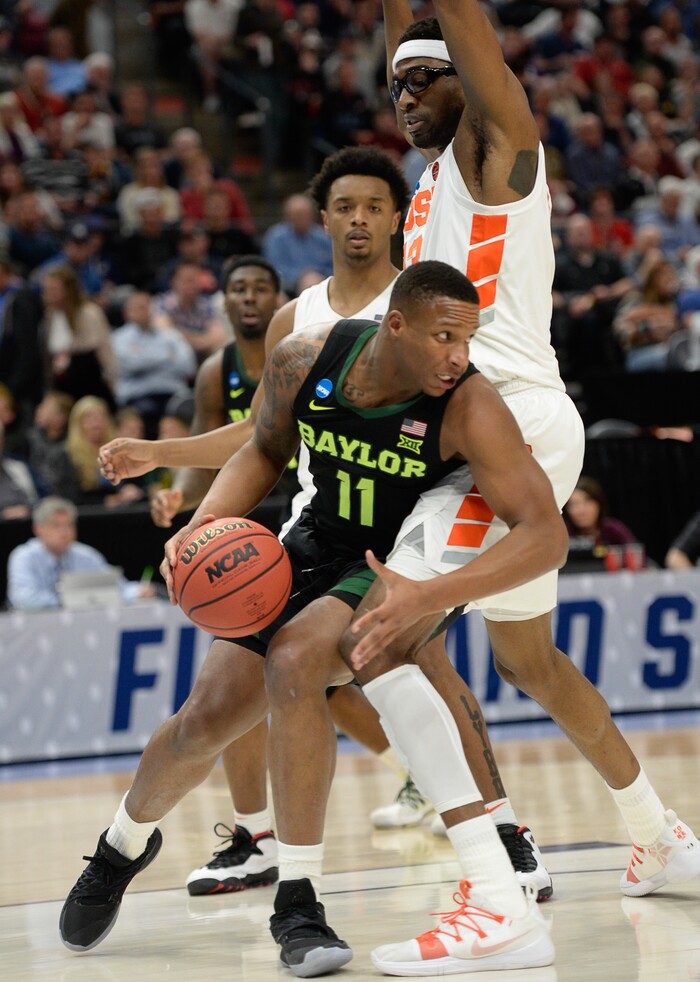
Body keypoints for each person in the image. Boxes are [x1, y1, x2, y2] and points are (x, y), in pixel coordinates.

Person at [316, 2, 700, 973]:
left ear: (469, 83)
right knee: (529, 662)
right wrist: (404, 32)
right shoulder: (430, 181)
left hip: (512, 420)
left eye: (425, 80)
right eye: (394, 84)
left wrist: (447, 30)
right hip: (473, 424)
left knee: (380, 634)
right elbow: (415, 35)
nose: (404, 96)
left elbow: (465, 37)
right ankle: (656, 831)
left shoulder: (501, 155)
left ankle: (497, 899)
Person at [60, 262, 562, 975]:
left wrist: (434, 593)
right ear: (396, 326)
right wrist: (201, 527)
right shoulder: (308, 357)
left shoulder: (470, 406)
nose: (459, 355)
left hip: (386, 565)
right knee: (202, 721)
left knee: (297, 662)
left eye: (468, 339)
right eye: (445, 336)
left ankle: (298, 902)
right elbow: (263, 449)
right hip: (305, 543)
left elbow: (547, 533)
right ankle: (121, 846)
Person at [7, 496, 154, 610]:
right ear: (38, 529)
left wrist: (137, 591)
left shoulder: (86, 555)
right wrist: (70, 600)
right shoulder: (23, 557)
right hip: (36, 629)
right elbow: (23, 599)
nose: (64, 532)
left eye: (69, 525)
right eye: (56, 525)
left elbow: (116, 587)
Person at [564, 474, 642, 551]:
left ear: (599, 504)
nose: (581, 510)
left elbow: (636, 556)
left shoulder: (613, 530)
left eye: (588, 502)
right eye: (574, 504)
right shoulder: (563, 534)